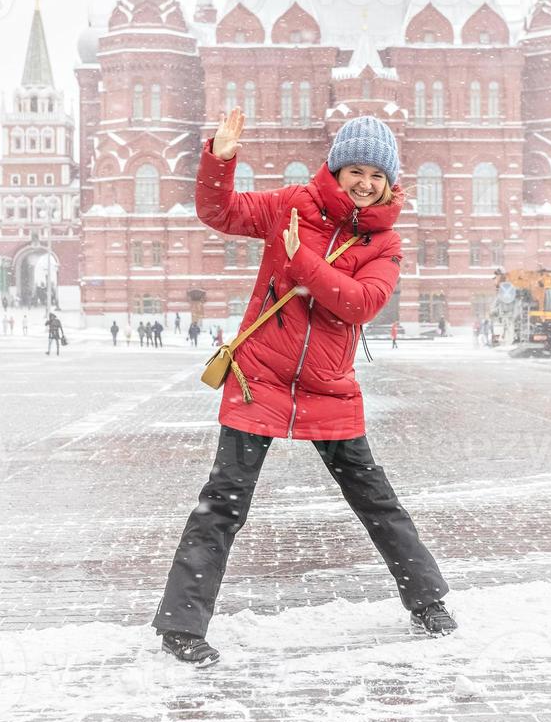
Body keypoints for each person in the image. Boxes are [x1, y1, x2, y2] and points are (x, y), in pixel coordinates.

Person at [152, 110, 453, 669]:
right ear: (337, 169)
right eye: (355, 170)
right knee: (222, 503)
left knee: (375, 500)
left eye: (376, 175)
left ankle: (429, 600)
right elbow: (219, 211)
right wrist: (219, 158)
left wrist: (302, 262)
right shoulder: (291, 204)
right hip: (259, 377)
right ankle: (181, 626)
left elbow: (361, 303)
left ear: (390, 182)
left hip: (329, 388)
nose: (365, 183)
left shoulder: (385, 244)